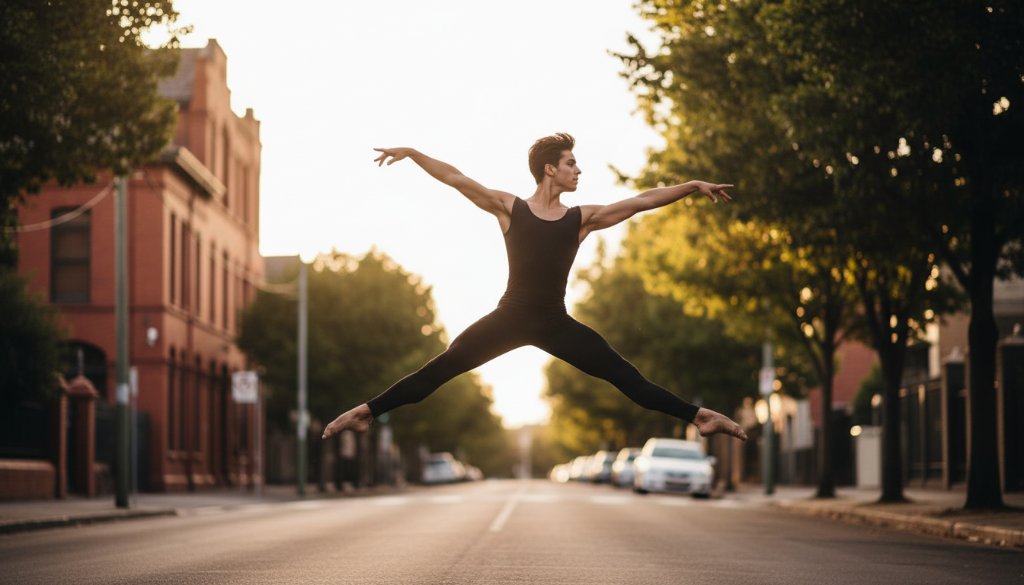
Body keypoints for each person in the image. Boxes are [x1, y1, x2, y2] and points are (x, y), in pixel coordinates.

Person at [322, 133, 747, 442]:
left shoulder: (581, 218)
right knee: (442, 367)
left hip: (554, 322)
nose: (578, 170)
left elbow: (640, 202)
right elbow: (456, 178)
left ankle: (700, 417)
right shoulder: (511, 209)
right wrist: (414, 153)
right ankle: (365, 412)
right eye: (570, 163)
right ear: (550, 169)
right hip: (509, 317)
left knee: (626, 376)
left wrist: (691, 187)